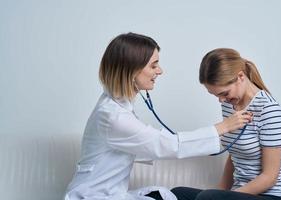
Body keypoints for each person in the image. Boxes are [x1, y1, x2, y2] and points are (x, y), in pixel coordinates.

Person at [63, 34, 252, 200]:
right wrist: (222, 128)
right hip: (92, 196)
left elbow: (145, 144)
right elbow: (168, 144)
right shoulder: (113, 116)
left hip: (109, 194)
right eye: (153, 65)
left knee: (170, 195)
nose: (160, 71)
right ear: (132, 69)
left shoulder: (116, 104)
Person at [171, 48, 281, 200]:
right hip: (238, 193)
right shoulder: (230, 104)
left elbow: (269, 177)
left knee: (208, 197)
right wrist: (222, 191)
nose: (221, 100)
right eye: (216, 95)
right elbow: (234, 154)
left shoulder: (269, 110)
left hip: (272, 196)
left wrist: (224, 196)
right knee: (176, 193)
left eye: (224, 93)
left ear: (240, 76)